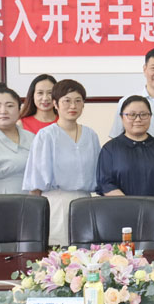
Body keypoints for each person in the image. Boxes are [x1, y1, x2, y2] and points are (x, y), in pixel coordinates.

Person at [23, 79, 101, 246]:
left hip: (85, 202)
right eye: (67, 101)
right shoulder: (46, 136)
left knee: (87, 252)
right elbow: (35, 183)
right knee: (57, 254)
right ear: (55, 104)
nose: (73, 106)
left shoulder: (91, 135)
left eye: (78, 101)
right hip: (55, 203)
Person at [97, 95, 154, 198]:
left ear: (150, 116)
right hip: (120, 206)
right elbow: (105, 183)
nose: (138, 119)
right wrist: (130, 205)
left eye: (143, 114)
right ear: (122, 117)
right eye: (132, 115)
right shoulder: (110, 149)